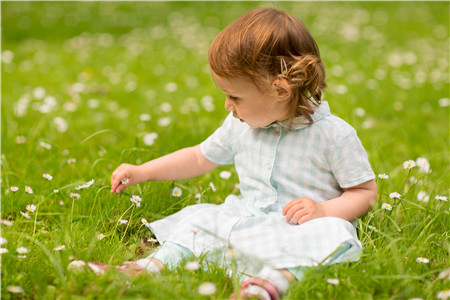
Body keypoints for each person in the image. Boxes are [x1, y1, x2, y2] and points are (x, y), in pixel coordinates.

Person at [90, 7, 377, 300]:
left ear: (281, 91)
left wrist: (325, 211)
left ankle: (270, 284)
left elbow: (365, 192)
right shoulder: (239, 125)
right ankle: (146, 267)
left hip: (298, 228)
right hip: (245, 219)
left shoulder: (333, 135)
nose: (227, 105)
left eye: (235, 96)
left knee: (334, 235)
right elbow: (200, 157)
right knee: (200, 220)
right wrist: (143, 171)